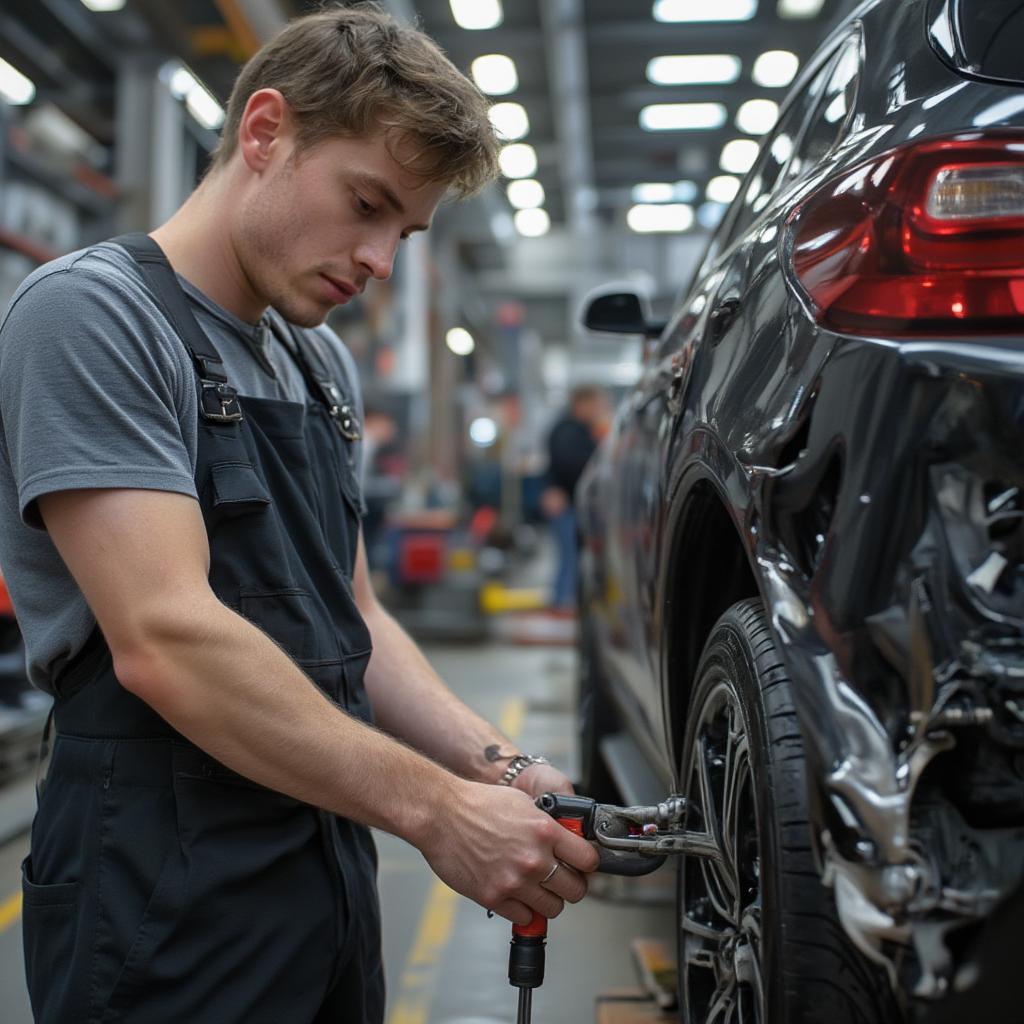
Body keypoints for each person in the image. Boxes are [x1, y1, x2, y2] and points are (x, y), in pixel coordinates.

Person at [0, 7, 598, 1023]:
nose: (378, 262)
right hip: (158, 872)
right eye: (365, 204)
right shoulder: (94, 316)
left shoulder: (315, 366)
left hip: (322, 850)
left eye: (402, 231)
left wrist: (497, 765)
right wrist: (438, 811)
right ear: (265, 132)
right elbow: (165, 641)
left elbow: (355, 622)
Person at [541, 386, 609, 610]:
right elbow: (572, 465)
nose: (599, 410)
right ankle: (562, 604)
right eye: (595, 405)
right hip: (565, 505)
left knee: (571, 556)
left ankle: (564, 602)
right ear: (581, 404)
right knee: (569, 557)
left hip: (568, 504)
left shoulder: (575, 430)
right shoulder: (569, 431)